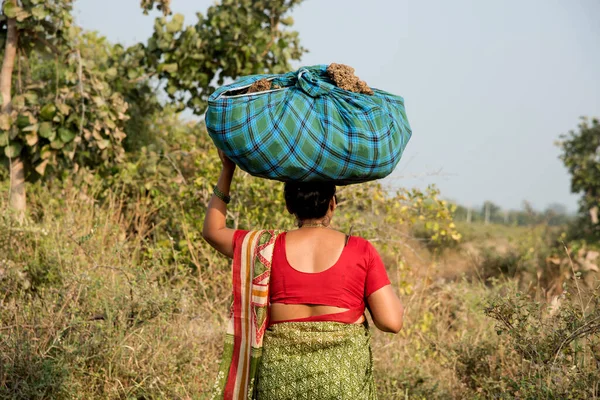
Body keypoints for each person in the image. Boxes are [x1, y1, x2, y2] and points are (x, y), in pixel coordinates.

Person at [203, 149, 404, 400]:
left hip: (279, 384)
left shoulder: (265, 248)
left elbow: (213, 231)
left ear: (289, 205)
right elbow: (391, 322)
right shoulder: (360, 250)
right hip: (342, 385)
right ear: (332, 204)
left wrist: (227, 170)